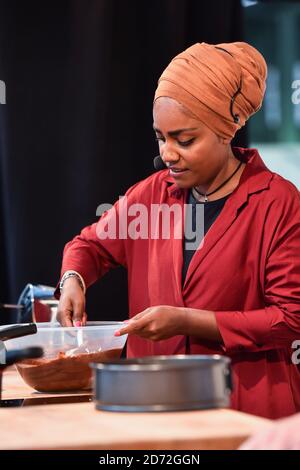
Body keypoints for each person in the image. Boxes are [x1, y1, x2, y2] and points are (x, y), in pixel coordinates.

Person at [55, 41, 300, 419]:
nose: (168, 153)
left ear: (226, 130)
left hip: (245, 410)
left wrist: (187, 320)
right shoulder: (152, 194)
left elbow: (289, 318)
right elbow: (89, 245)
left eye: (185, 140)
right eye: (161, 137)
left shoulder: (277, 203)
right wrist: (73, 278)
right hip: (154, 404)